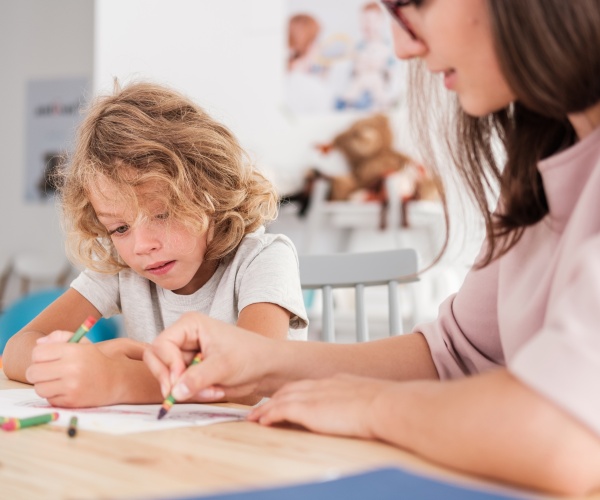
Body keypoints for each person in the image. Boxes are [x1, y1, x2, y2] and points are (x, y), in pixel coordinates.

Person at [144, 0, 600, 495]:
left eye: (414, 6)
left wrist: (372, 405)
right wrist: (260, 361)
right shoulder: (542, 170)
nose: (403, 46)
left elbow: (565, 435)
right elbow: (455, 357)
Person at [2, 81, 308, 408]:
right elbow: (16, 350)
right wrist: (86, 359)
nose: (142, 246)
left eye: (161, 214)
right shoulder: (123, 269)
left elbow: (252, 377)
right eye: (120, 228)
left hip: (257, 448)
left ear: (209, 192)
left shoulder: (263, 259)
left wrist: (118, 378)